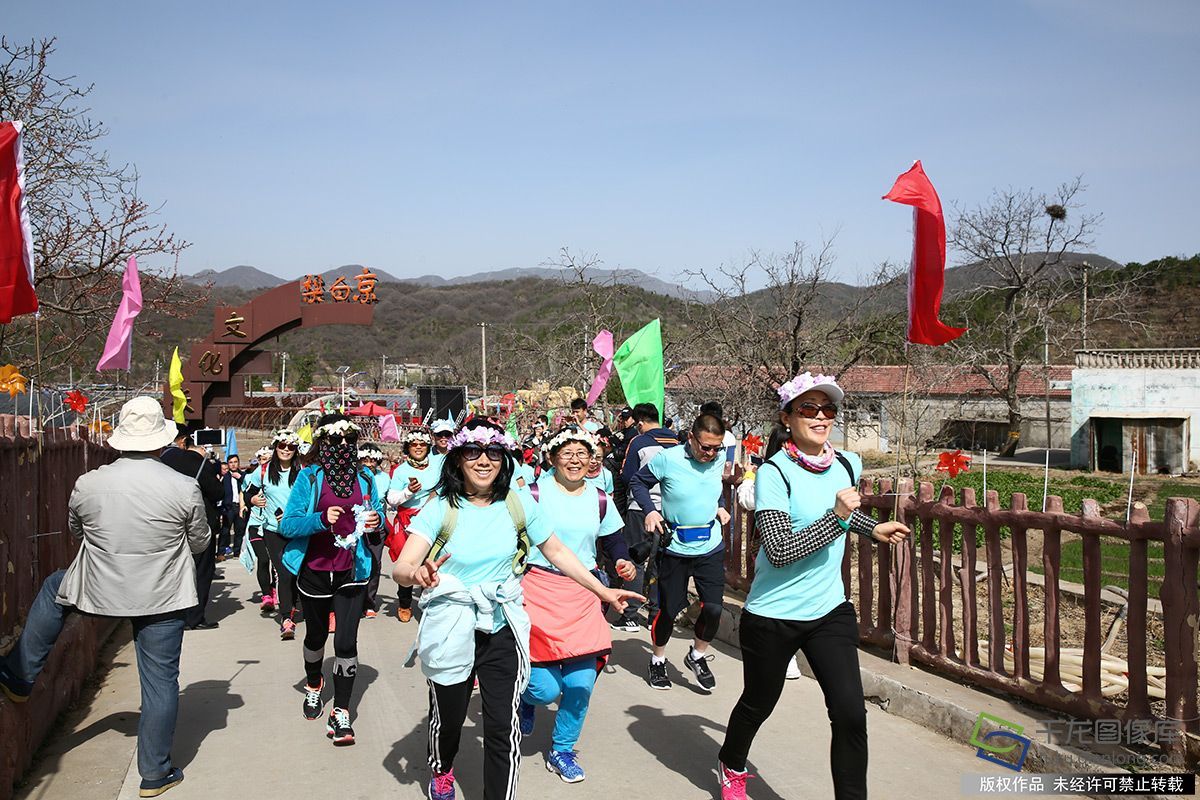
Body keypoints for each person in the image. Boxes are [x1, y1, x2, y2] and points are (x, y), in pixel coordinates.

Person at [393, 419, 641, 800]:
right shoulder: (441, 506)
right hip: (451, 624)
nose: (483, 461)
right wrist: (417, 572)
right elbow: (401, 567)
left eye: (493, 453)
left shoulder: (517, 502)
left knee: (501, 726)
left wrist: (603, 592)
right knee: (450, 719)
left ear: (503, 459)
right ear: (459, 458)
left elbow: (558, 552)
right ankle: (442, 769)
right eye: (473, 452)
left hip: (502, 624)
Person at [0, 397, 209, 798]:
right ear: (160, 443)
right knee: (161, 682)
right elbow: (199, 542)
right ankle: (154, 772)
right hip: (162, 594)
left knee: (54, 589)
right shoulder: (184, 486)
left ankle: (21, 675)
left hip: (100, 587)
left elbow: (77, 531)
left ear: (121, 440)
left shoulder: (89, 482)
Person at [716, 373, 910, 800]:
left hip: (829, 611)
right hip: (773, 614)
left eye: (828, 409)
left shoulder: (847, 464)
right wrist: (840, 518)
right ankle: (731, 762)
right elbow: (782, 547)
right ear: (787, 417)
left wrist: (872, 528)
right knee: (758, 703)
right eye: (809, 409)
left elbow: (838, 517)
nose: (821, 417)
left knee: (849, 714)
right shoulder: (773, 473)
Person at [517, 426, 636, 783]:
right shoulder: (532, 494)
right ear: (552, 458)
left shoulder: (599, 497)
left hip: (585, 592)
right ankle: (525, 700)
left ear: (591, 460)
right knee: (545, 688)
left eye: (582, 453)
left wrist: (622, 561)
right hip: (537, 590)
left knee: (581, 682)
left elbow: (614, 540)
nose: (575, 460)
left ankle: (562, 749)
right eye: (567, 453)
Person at [280, 414, 384, 746]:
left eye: (349, 441)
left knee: (345, 643)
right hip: (313, 570)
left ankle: (341, 711)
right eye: (336, 441)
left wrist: (375, 521)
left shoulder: (366, 479)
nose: (343, 446)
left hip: (351, 572)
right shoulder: (309, 479)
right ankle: (313, 684)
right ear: (323, 443)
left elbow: (380, 518)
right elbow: (289, 525)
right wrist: (320, 519)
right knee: (316, 636)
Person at [629, 413, 729, 692]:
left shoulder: (718, 458)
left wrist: (719, 504)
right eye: (705, 447)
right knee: (669, 610)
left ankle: (697, 655)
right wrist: (650, 511)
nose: (710, 454)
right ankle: (658, 660)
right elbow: (638, 482)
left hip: (710, 544)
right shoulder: (668, 458)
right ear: (690, 438)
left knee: (713, 608)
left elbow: (712, 486)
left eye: (716, 448)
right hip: (675, 546)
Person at [611, 403, 677, 632]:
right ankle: (655, 616)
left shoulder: (638, 442)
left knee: (635, 560)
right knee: (660, 563)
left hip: (641, 509)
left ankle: (629, 615)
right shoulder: (678, 442)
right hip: (668, 511)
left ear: (639, 423)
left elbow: (628, 475)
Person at [160, 422, 224, 631]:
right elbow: (216, 492)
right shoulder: (196, 460)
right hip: (199, 521)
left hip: (166, 521)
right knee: (201, 570)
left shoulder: (157, 460)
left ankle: (170, 614)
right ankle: (194, 617)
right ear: (184, 440)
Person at [245, 429, 304, 637]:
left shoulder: (303, 471)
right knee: (284, 573)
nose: (286, 450)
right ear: (276, 447)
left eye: (290, 447)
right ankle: (286, 617)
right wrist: (252, 500)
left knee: (298, 572)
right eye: (282, 446)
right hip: (273, 531)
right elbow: (248, 492)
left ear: (296, 449)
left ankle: (297, 605)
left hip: (298, 531)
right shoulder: (263, 470)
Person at [384, 428, 442, 622]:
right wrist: (408, 491)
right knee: (407, 562)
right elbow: (392, 499)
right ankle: (405, 602)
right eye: (414, 444)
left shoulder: (436, 467)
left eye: (422, 444)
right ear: (408, 447)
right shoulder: (401, 471)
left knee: (432, 560)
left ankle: (430, 603)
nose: (418, 448)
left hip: (431, 517)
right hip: (408, 520)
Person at [242, 447, 277, 613]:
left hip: (273, 525)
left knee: (276, 562)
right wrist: (252, 500)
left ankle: (275, 589)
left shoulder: (279, 476)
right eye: (263, 459)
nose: (266, 462)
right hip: (256, 525)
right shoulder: (255, 475)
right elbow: (246, 494)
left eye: (269, 458)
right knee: (263, 559)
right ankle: (266, 596)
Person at [358, 444, 391, 619]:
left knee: (375, 565)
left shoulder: (384, 478)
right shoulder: (356, 476)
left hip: (377, 525)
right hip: (357, 525)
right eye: (365, 459)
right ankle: (355, 600)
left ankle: (369, 602)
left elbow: (391, 499)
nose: (369, 463)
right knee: (357, 562)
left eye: (373, 460)